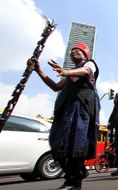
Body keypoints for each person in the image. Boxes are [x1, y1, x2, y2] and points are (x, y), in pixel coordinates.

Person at [29, 43, 100, 190]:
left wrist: (66, 72)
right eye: (72, 50)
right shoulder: (70, 73)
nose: (73, 51)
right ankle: (78, 173)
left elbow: (86, 71)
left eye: (78, 50)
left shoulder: (90, 64)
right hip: (65, 111)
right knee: (58, 143)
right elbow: (55, 86)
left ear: (85, 55)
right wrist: (38, 70)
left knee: (76, 142)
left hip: (81, 110)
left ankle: (73, 181)